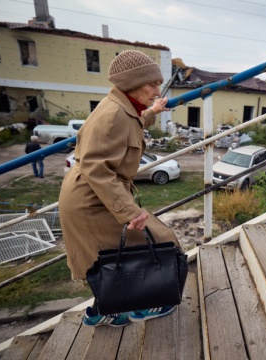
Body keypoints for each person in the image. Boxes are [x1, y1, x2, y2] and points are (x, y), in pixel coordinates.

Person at [58, 50, 181, 327]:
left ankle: (103, 310)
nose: (157, 89)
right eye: (152, 84)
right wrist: (128, 211)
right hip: (91, 200)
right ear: (132, 84)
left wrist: (153, 112)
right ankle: (153, 301)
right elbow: (95, 167)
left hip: (96, 194)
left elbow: (133, 123)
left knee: (111, 257)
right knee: (160, 240)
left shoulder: (122, 107)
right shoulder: (113, 113)